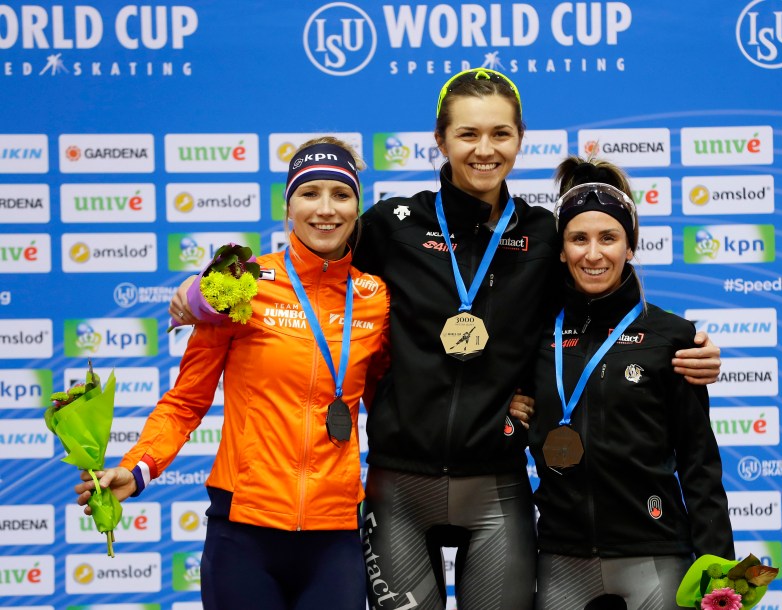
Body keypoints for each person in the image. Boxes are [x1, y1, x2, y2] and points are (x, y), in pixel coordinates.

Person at [169, 68, 721, 610]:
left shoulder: (543, 234)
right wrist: (205, 290)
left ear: (520, 139)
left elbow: (595, 315)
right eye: (468, 133)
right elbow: (313, 262)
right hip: (398, 490)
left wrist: (684, 349)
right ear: (440, 139)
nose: (485, 149)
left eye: (500, 133)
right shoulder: (392, 224)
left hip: (496, 490)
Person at [75, 137, 391, 610]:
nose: (325, 209)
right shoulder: (239, 286)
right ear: (288, 207)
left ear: (357, 208)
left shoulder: (376, 297)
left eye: (341, 195)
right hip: (243, 532)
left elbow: (396, 402)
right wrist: (140, 468)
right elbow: (185, 402)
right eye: (310, 193)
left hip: (336, 534)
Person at [527, 157, 734, 610]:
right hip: (562, 558)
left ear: (631, 246)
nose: (593, 253)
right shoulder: (535, 335)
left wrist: (721, 571)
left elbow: (699, 462)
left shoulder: (673, 337)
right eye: (578, 239)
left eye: (609, 238)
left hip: (656, 556)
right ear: (561, 249)